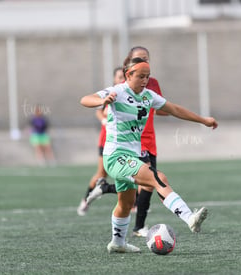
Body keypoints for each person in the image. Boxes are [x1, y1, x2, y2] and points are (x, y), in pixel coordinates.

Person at [80, 57, 218, 253]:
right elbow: (85, 99)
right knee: (157, 177)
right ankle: (189, 217)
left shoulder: (148, 96)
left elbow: (175, 109)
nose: (145, 80)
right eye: (140, 76)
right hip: (115, 156)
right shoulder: (117, 91)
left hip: (132, 157)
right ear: (128, 75)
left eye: (147, 76)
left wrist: (203, 120)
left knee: (126, 203)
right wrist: (102, 100)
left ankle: (117, 244)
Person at [86, 46, 168, 238]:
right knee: (151, 182)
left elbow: (162, 108)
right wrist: (104, 109)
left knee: (142, 185)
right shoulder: (122, 86)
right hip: (128, 142)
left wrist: (161, 106)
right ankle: (140, 226)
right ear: (129, 63)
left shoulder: (152, 84)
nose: (143, 61)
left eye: (146, 58)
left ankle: (107, 190)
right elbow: (99, 104)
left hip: (149, 138)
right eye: (139, 58)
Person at [77, 67, 125, 216]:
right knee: (101, 174)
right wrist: (104, 119)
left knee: (129, 174)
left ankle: (134, 204)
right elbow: (98, 109)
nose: (122, 79)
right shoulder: (112, 93)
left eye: (124, 76)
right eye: (119, 77)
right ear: (114, 79)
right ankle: (85, 199)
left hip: (125, 141)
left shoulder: (129, 93)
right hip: (107, 140)